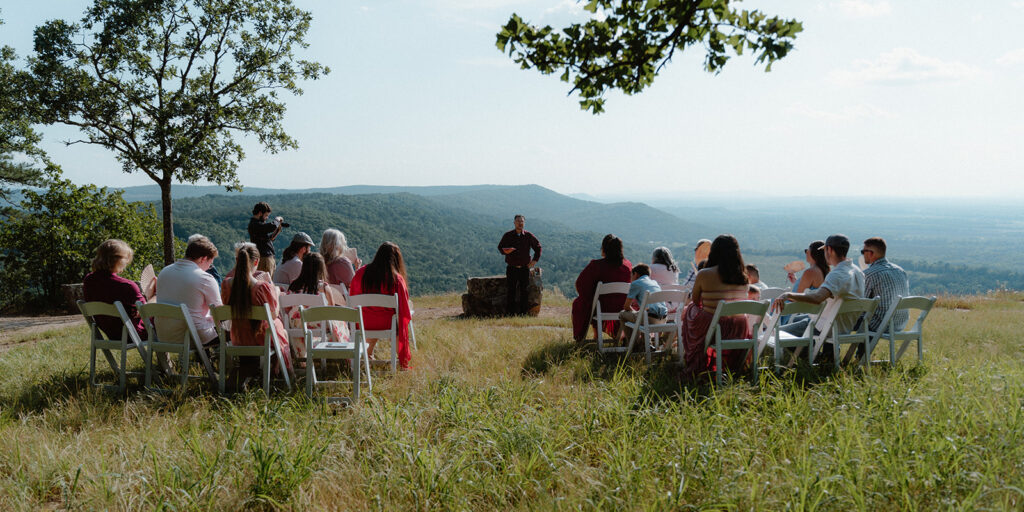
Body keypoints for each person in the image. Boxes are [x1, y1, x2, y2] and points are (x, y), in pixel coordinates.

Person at [680, 235, 752, 378]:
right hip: (739, 327)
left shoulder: (704, 274)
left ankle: (695, 358)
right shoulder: (743, 277)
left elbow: (695, 300)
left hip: (713, 326)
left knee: (690, 310)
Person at [774, 234, 865, 347]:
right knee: (799, 319)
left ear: (829, 250)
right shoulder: (857, 271)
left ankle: (806, 356)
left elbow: (817, 298)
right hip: (845, 324)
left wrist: (787, 295)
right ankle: (820, 356)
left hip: (826, 326)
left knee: (774, 335)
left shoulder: (837, 274)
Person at [221, 243, 291, 374]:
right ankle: (281, 372)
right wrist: (275, 291)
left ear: (237, 261)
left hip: (237, 337)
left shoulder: (226, 285)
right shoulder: (262, 287)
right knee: (278, 326)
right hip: (259, 339)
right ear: (257, 262)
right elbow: (274, 314)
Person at [350, 242, 413, 370]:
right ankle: (402, 364)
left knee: (373, 318)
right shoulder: (397, 279)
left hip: (363, 322)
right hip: (387, 324)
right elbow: (404, 311)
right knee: (397, 323)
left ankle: (367, 355)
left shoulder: (360, 273)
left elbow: (353, 299)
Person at [155, 236, 222, 346]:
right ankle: (225, 362)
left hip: (164, 334)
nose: (209, 268)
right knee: (232, 331)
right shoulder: (205, 278)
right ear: (203, 259)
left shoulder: (164, 271)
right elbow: (219, 313)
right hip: (193, 336)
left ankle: (205, 361)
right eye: (210, 264)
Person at [283, 252, 347, 358]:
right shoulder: (323, 287)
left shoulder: (294, 285)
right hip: (318, 324)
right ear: (321, 269)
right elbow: (331, 311)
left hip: (297, 325)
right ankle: (338, 353)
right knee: (340, 322)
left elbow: (287, 309)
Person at [570, 234, 633, 342]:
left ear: (604, 249)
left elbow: (580, 285)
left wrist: (591, 297)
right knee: (594, 302)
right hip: (621, 307)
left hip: (601, 307)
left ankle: (583, 338)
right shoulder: (627, 266)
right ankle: (602, 335)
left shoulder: (596, 266)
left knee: (581, 303)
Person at [82, 239, 147, 341]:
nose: (127, 263)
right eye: (126, 259)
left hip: (111, 334)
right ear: (118, 260)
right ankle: (165, 356)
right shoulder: (127, 286)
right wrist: (155, 294)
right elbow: (146, 311)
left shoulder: (89, 280)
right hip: (134, 334)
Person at [862, 237, 910, 333]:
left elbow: (862, 305)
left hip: (878, 325)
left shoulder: (869, 274)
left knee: (836, 322)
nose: (862, 254)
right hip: (900, 324)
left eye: (863, 251)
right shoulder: (900, 271)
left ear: (871, 253)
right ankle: (863, 348)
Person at [497, 214, 542, 315]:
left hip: (524, 268)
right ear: (514, 223)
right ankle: (510, 313)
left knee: (524, 291)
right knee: (511, 291)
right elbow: (500, 247)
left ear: (524, 223)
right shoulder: (508, 235)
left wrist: (534, 261)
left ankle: (523, 313)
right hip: (511, 268)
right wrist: (506, 251)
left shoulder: (528, 236)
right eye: (518, 221)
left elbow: (538, 247)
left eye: (522, 221)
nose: (520, 223)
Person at [616, 263, 667, 344]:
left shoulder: (636, 283)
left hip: (649, 319)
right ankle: (644, 343)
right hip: (663, 319)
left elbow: (626, 306)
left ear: (635, 274)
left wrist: (635, 313)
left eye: (631, 275)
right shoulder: (654, 283)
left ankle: (633, 344)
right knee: (641, 314)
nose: (631, 278)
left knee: (622, 314)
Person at [248, 201, 284, 276]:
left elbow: (268, 239)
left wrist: (277, 230)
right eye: (266, 215)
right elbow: (270, 227)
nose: (267, 218)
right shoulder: (255, 225)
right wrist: (277, 219)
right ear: (260, 213)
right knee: (266, 281)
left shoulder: (257, 225)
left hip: (266, 257)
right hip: (264, 258)